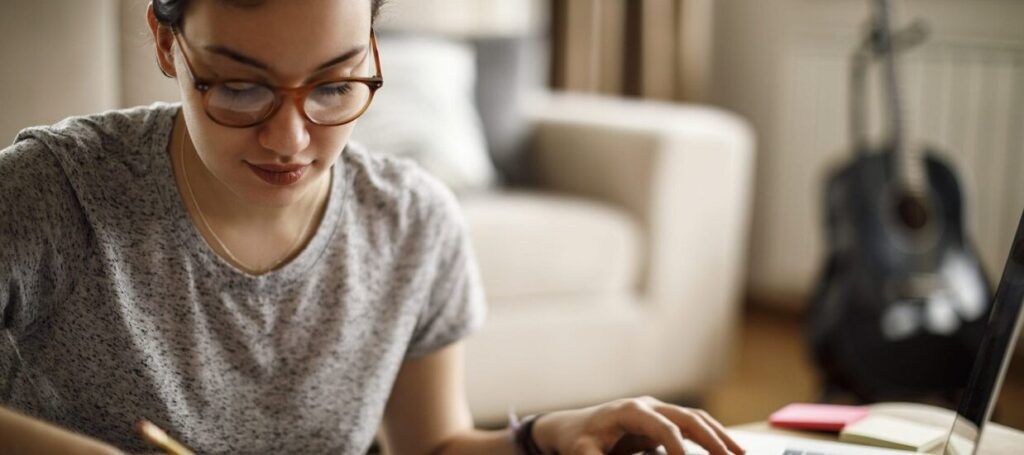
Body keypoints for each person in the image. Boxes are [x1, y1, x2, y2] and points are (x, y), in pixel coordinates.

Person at [0, 0, 745, 454]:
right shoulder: (50, 193)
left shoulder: (412, 222)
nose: (291, 140)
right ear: (168, 45)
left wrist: (549, 434)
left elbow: (435, 445)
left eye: (332, 84)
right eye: (240, 86)